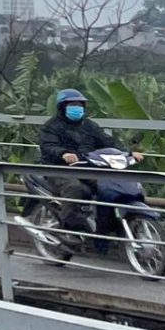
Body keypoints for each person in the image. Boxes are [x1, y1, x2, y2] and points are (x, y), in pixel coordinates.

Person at [38, 87, 122, 233]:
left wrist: (127, 153)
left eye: (79, 105)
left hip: (86, 167)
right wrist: (63, 154)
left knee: (109, 185)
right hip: (58, 168)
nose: (76, 108)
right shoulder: (51, 126)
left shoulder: (89, 126)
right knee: (74, 188)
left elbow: (107, 141)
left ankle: (105, 222)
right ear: (62, 107)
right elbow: (48, 145)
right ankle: (68, 227)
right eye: (72, 105)